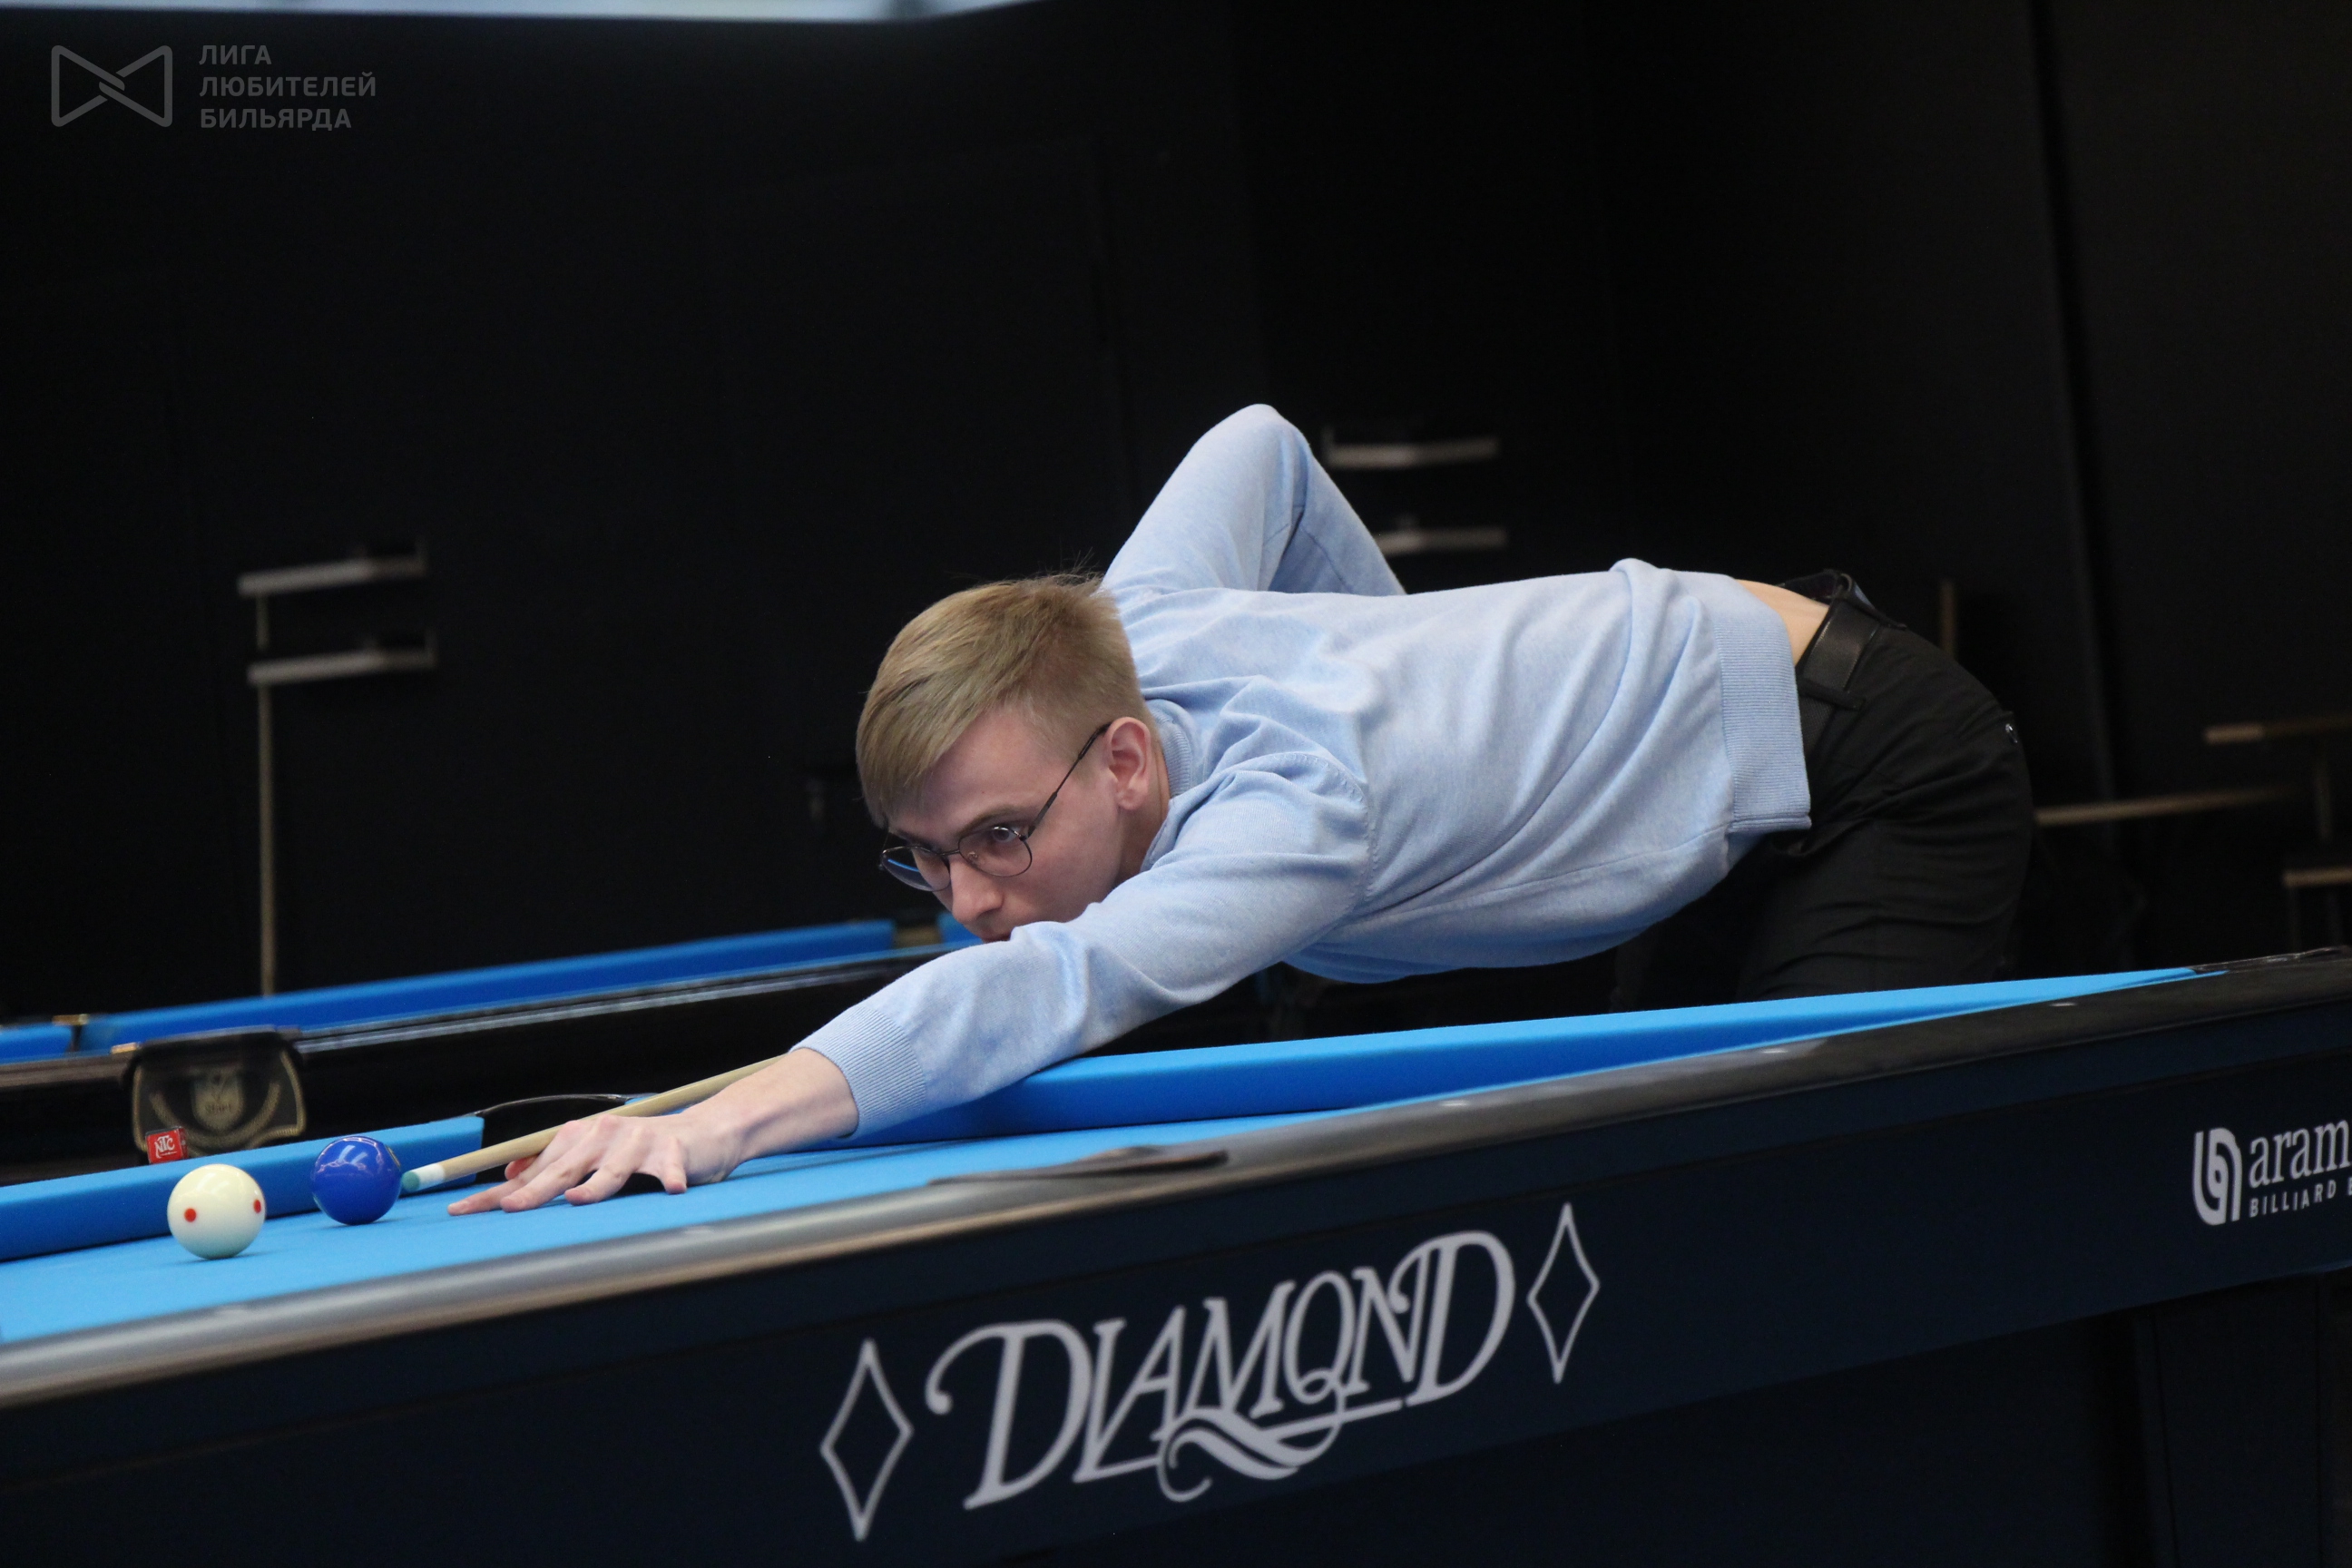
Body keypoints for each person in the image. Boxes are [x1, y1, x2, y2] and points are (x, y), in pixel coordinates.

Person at [453, 406, 2033, 1215]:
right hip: (1732, 770)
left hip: (1872, 763)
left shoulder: (1296, 814)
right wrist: (1404, 658)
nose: (971, 899)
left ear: (1125, 762)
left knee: (1820, 1193)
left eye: (1001, 837)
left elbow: (1047, 990)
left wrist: (714, 1121)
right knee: (1681, 1181)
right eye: (925, 858)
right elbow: (1261, 446)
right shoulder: (1123, 627)